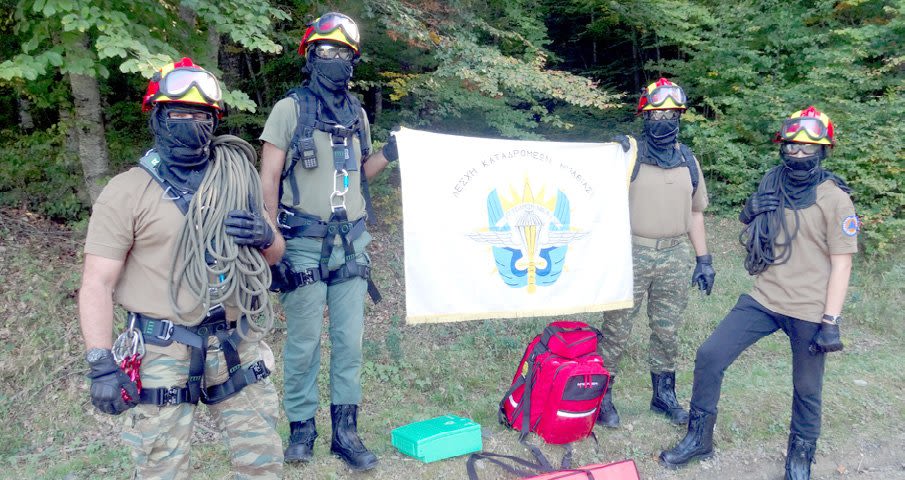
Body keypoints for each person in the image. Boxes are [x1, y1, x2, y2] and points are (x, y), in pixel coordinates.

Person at [78, 57, 285, 478]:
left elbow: (275, 254)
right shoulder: (127, 192)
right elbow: (97, 283)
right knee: (162, 469)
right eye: (179, 114)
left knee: (263, 461)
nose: (191, 123)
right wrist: (100, 361)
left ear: (215, 120)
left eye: (202, 115)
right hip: (163, 348)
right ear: (157, 118)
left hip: (236, 339)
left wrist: (265, 237)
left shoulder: (236, 179)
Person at [659, 106, 856, 480]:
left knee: (807, 387)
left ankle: (799, 459)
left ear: (823, 150)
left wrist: (831, 321)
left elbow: (842, 263)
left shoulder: (835, 200)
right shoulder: (772, 180)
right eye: (792, 146)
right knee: (710, 355)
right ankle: (699, 439)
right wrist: (749, 211)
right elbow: (757, 231)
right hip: (765, 297)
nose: (798, 154)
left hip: (810, 307)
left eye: (807, 148)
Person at [258, 11, 397, 471]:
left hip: (351, 245)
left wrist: (389, 154)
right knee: (303, 343)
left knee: (349, 343)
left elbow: (362, 174)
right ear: (310, 55)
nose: (334, 58)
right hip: (301, 243)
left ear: (352, 61)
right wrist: (271, 244)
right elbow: (268, 179)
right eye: (326, 50)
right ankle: (301, 430)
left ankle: (345, 433)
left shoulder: (357, 114)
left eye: (343, 52)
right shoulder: (289, 110)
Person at [597, 78, 715, 429]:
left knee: (667, 330)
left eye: (670, 114)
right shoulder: (629, 156)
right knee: (616, 328)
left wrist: (704, 259)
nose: (663, 120)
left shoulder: (688, 159)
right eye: (656, 114)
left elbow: (696, 212)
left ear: (679, 116)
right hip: (632, 253)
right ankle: (601, 396)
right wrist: (610, 156)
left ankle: (663, 396)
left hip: (675, 255)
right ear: (645, 116)